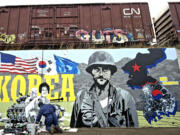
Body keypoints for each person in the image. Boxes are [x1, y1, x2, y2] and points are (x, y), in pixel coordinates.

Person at [70, 51, 138, 128]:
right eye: (96, 69)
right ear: (91, 72)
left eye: (105, 69)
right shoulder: (81, 97)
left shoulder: (125, 97)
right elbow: (74, 128)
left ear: (111, 72)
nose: (101, 74)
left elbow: (134, 129)